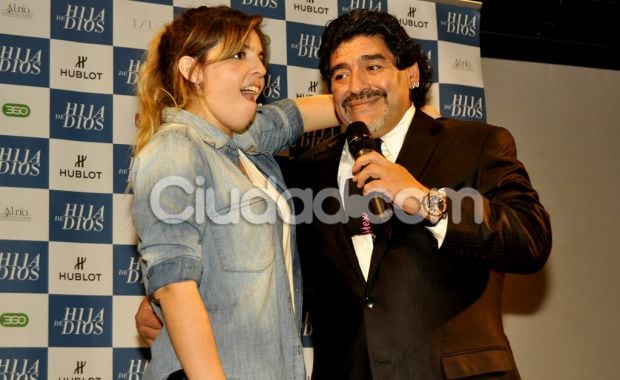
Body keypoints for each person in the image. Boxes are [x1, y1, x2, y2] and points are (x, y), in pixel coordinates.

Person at [136, 8, 552, 379]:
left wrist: (427, 200)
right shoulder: (299, 173)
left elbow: (530, 240)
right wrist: (166, 297)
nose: (357, 85)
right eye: (340, 75)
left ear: (411, 73)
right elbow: (215, 255)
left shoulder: (475, 144)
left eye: (373, 67)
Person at [130, 6, 337, 379]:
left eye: (260, 57)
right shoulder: (175, 150)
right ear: (192, 70)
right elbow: (176, 289)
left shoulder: (243, 141)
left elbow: (298, 116)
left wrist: (387, 106)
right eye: (239, 55)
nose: (259, 69)